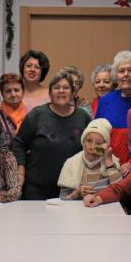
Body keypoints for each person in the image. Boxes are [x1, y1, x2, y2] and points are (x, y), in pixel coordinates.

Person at [13, 71, 91, 200]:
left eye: (66, 88)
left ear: (73, 93)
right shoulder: (37, 114)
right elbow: (19, 143)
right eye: (56, 88)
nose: (61, 91)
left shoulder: (83, 117)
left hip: (72, 188)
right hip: (36, 188)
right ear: (49, 93)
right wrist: (20, 170)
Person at [95, 51, 131, 174]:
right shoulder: (106, 100)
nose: (126, 75)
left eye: (130, 70)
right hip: (107, 167)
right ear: (116, 76)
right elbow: (96, 135)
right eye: (121, 71)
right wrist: (109, 163)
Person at [58, 118, 121, 200]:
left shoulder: (113, 162)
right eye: (89, 141)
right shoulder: (71, 164)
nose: (92, 147)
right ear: (83, 142)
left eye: (98, 143)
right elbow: (62, 200)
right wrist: (75, 194)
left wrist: (109, 163)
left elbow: (120, 194)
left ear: (105, 146)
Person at [0, 73, 26, 148]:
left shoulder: (30, 114)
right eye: (8, 91)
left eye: (16, 90)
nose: (13, 94)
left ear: (23, 92)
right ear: (2, 94)